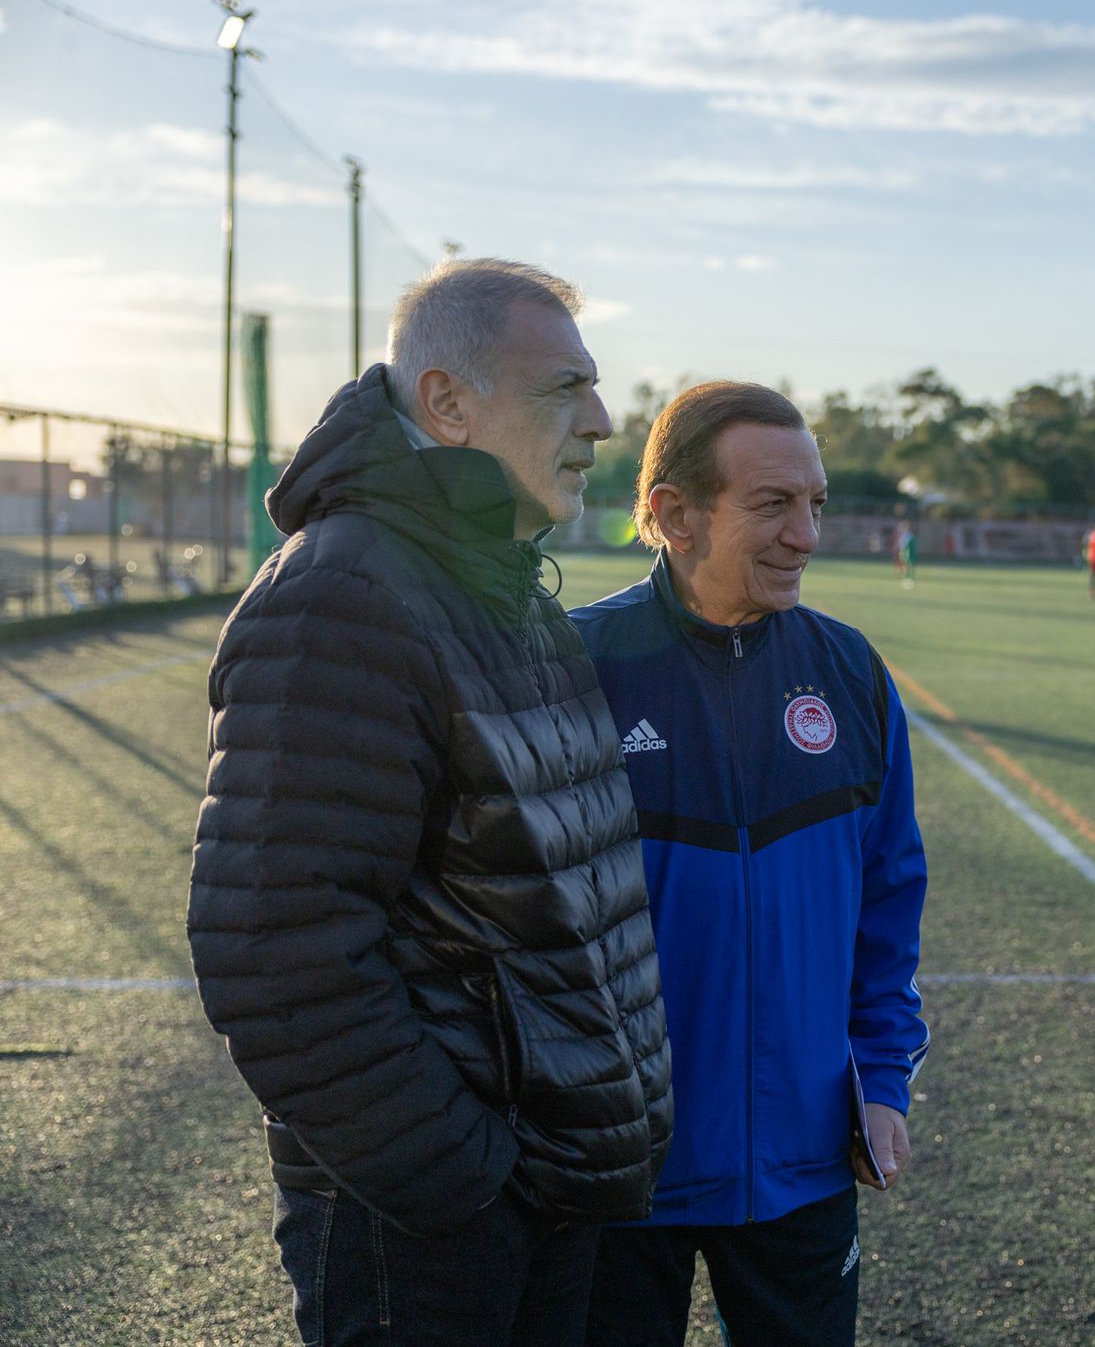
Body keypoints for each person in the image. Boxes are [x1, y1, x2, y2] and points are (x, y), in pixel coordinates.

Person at [187, 259, 674, 1345]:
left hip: (540, 1187)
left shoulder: (497, 587)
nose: (601, 420)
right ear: (447, 402)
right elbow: (275, 947)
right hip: (433, 1215)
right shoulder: (342, 595)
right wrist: (462, 1184)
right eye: (563, 389)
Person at [572, 382, 930, 1347]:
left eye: (815, 504)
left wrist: (884, 1080)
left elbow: (888, 900)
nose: (805, 534)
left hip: (803, 1159)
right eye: (772, 505)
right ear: (672, 515)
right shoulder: (574, 670)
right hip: (613, 1162)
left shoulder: (849, 672)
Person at [893, 519, 917, 589]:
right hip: (905, 552)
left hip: (909, 552)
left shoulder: (909, 535)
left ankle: (908, 576)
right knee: (905, 564)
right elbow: (901, 544)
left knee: (909, 564)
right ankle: (906, 576)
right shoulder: (904, 535)